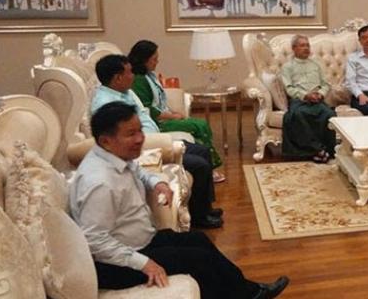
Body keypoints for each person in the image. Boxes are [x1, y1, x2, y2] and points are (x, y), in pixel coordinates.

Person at [70, 102, 289, 298]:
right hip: (116, 263)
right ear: (106, 141)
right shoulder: (99, 183)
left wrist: (157, 183)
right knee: (199, 261)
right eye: (130, 134)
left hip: (139, 241)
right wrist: (144, 263)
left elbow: (139, 172)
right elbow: (94, 240)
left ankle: (249, 292)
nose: (140, 139)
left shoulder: (114, 157)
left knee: (199, 241)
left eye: (139, 131)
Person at [91, 54, 223, 229]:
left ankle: (205, 208)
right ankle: (200, 218)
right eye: (129, 72)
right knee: (198, 164)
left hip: (154, 136)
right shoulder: (106, 104)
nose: (133, 76)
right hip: (147, 145)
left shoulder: (124, 92)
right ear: (117, 78)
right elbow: (122, 141)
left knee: (202, 151)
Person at [128, 40, 225, 183]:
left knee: (201, 124)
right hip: (158, 122)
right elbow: (150, 109)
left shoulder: (149, 75)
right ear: (144, 60)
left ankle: (209, 166)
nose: (157, 62)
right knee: (198, 125)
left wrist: (173, 112)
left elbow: (161, 101)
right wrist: (172, 116)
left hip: (164, 117)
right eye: (154, 59)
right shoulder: (139, 80)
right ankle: (209, 169)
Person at [280, 35, 337, 163]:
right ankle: (319, 150)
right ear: (294, 48)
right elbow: (289, 88)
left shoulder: (316, 64)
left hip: (317, 99)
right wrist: (305, 95)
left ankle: (324, 151)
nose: (306, 48)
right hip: (300, 101)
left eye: (307, 45)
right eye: (302, 45)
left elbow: (326, 84)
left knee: (329, 114)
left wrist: (321, 94)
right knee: (297, 115)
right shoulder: (287, 67)